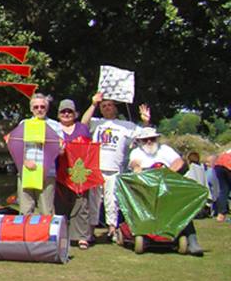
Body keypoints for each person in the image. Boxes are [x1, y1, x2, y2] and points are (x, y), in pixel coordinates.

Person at [81, 91, 151, 239]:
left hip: (114, 169)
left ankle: (112, 229)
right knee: (93, 201)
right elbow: (83, 123)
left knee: (112, 200)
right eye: (104, 106)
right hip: (96, 168)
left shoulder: (126, 125)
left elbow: (144, 136)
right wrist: (94, 103)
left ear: (115, 108)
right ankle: (91, 230)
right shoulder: (96, 122)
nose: (107, 108)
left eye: (110, 105)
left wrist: (145, 122)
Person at [127, 127, 203, 255]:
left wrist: (168, 172)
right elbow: (134, 163)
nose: (149, 142)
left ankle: (192, 240)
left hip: (168, 186)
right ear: (140, 141)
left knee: (182, 209)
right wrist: (137, 168)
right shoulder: (136, 152)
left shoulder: (165, 150)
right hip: (146, 188)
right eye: (145, 140)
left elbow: (178, 162)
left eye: (152, 139)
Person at [51, 99, 94, 249]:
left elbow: (90, 150)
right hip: (59, 172)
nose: (67, 114)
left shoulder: (82, 128)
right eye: (63, 111)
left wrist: (94, 104)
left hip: (80, 173)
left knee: (81, 204)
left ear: (75, 113)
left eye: (69, 111)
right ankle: (62, 235)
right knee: (60, 204)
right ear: (58, 114)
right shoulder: (53, 128)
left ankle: (82, 237)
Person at [11, 94, 62, 216]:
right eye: (36, 107)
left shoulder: (55, 125)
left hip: (47, 173)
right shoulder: (24, 123)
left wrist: (47, 142)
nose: (39, 109)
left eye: (42, 107)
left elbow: (62, 149)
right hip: (26, 171)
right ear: (31, 109)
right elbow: (15, 146)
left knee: (46, 210)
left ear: (47, 108)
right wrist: (24, 161)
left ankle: (45, 235)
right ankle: (26, 234)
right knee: (25, 210)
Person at [212, 150, 231, 222]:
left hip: (219, 165)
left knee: (223, 191)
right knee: (224, 190)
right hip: (228, 165)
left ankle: (221, 215)